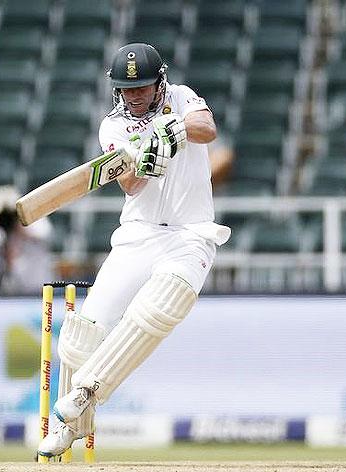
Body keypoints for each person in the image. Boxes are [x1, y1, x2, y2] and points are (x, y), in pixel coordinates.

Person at [37, 43, 231, 458]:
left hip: (191, 234)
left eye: (142, 86)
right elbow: (131, 186)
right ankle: (71, 425)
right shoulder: (112, 127)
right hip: (138, 234)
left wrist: (171, 131)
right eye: (127, 90)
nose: (135, 95)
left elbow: (206, 128)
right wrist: (144, 160)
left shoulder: (181, 96)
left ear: (159, 81)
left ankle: (87, 389)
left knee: (161, 306)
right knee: (79, 335)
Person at [0, 186, 54, 295]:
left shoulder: (34, 221)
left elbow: (47, 236)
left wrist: (21, 225)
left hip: (36, 290)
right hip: (2, 296)